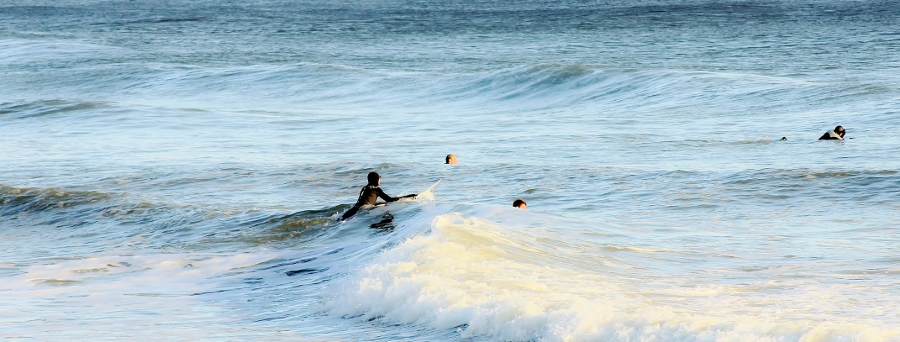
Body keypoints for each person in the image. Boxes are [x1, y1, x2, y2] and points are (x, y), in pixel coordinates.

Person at [340, 172, 415, 221]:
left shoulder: (365, 188)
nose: (380, 180)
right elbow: (389, 200)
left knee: (340, 221)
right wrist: (406, 197)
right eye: (379, 178)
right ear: (376, 180)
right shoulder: (376, 189)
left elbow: (365, 202)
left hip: (353, 209)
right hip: (361, 211)